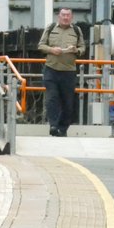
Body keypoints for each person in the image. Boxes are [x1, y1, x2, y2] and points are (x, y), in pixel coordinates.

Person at [38, 8, 84, 137]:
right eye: (63, 15)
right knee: (52, 98)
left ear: (71, 17)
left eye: (68, 15)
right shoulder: (51, 28)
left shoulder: (76, 30)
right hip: (51, 69)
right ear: (59, 16)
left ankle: (62, 129)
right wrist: (52, 50)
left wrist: (76, 50)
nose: (65, 17)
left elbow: (83, 48)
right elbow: (41, 45)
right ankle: (53, 125)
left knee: (68, 102)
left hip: (69, 71)